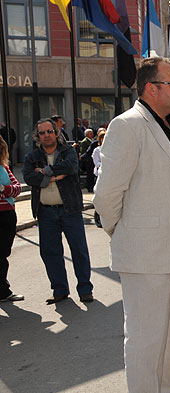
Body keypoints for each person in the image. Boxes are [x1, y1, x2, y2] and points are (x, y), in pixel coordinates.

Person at [93, 57, 170, 393]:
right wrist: (127, 233)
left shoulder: (168, 126)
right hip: (145, 254)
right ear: (152, 88)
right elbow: (106, 196)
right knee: (146, 341)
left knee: (168, 336)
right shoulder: (128, 125)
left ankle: (169, 389)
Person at [22, 118, 93, 305]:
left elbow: (71, 167)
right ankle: (60, 290)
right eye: (42, 133)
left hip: (70, 210)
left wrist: (43, 172)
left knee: (79, 250)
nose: (46, 135)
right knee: (50, 252)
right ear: (38, 136)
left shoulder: (67, 151)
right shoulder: (32, 156)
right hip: (45, 213)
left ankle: (85, 289)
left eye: (49, 131)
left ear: (56, 133)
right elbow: (29, 177)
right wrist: (53, 177)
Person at [0, 136, 22, 302]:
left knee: (3, 253)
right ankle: (3, 290)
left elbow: (17, 188)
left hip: (7, 215)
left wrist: (2, 188)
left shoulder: (4, 168)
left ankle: (3, 290)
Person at [91, 130, 105, 228]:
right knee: (100, 196)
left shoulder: (112, 148)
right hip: (100, 175)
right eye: (102, 138)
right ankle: (98, 215)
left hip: (109, 175)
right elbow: (97, 163)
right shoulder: (97, 150)